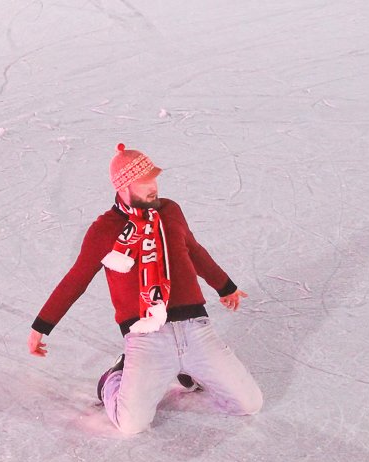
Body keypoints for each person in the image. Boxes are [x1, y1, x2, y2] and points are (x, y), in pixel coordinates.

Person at [27, 143, 262, 434]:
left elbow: (194, 250)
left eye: (154, 179)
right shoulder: (104, 230)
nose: (153, 188)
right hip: (146, 338)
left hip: (195, 327)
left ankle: (189, 370)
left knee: (249, 403)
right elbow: (76, 279)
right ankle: (114, 378)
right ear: (124, 187)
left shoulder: (170, 211)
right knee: (131, 425)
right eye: (144, 183)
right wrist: (42, 326)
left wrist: (225, 287)